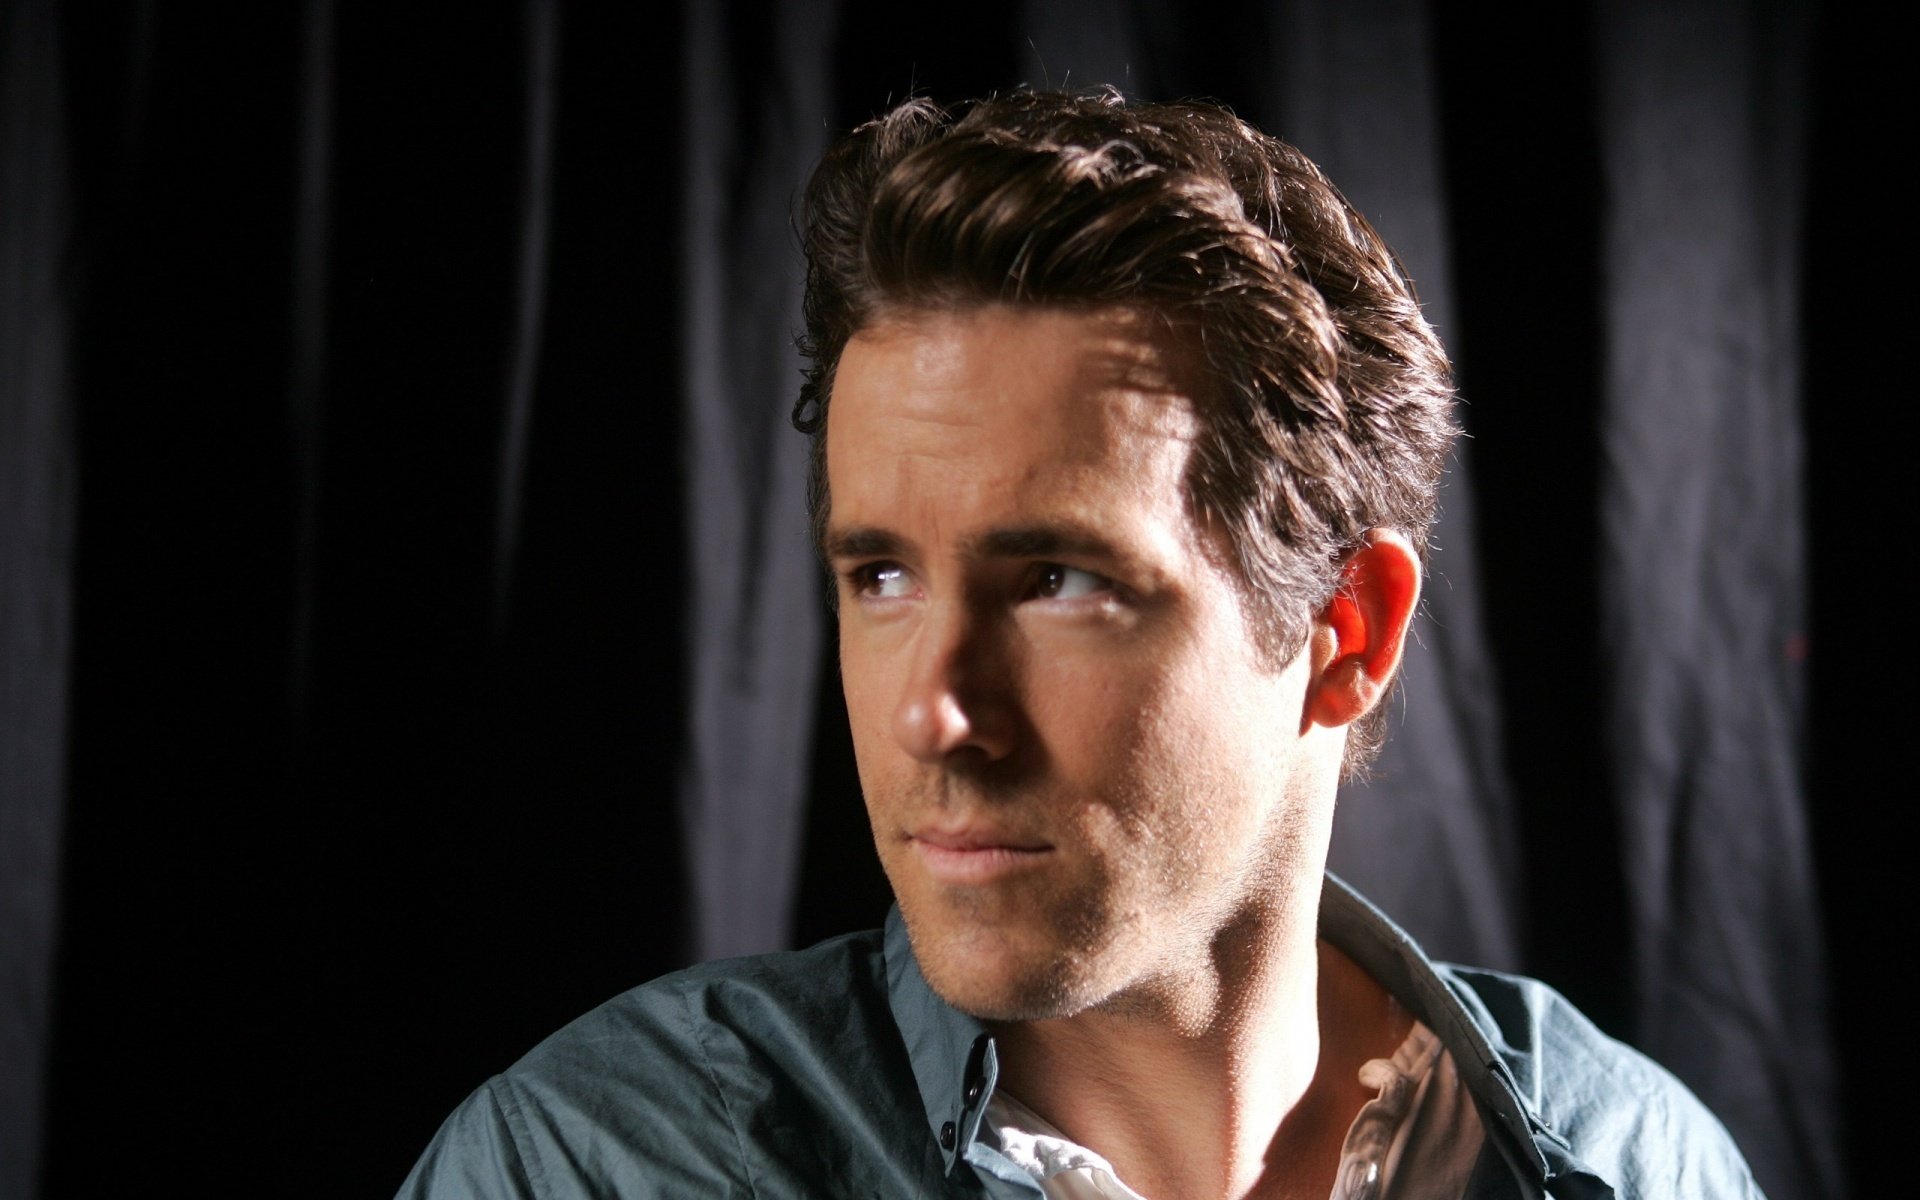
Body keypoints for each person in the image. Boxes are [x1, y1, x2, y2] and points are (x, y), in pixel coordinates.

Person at [398, 91, 1762, 1199]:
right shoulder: (589, 1168)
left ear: (1347, 633)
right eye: (882, 575)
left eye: (1057, 581)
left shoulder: (1641, 1165)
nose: (934, 713)